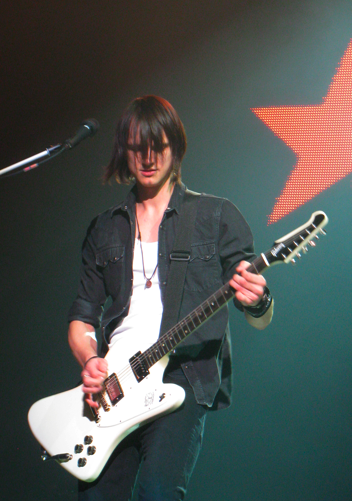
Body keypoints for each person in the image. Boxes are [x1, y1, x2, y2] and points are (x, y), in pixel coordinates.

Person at [67, 95, 273, 500]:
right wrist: (90, 361)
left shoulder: (216, 216)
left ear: (175, 146)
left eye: (157, 146)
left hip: (181, 375)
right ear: (123, 150)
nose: (148, 158)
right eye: (137, 147)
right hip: (115, 385)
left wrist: (258, 300)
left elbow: (259, 315)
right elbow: (82, 316)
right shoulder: (104, 229)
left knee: (159, 491)